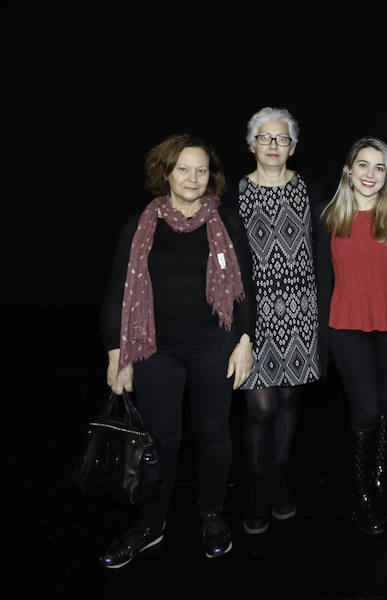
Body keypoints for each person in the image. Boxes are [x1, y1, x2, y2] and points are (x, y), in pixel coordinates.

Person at [99, 134, 256, 567]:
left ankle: (211, 515)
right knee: (161, 441)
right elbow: (117, 292)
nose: (192, 177)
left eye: (201, 169)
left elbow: (246, 291)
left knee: (213, 435)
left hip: (213, 348)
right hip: (155, 352)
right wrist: (116, 352)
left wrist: (244, 341)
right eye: (183, 168)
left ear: (211, 175)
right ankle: (150, 523)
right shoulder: (140, 223)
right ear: (166, 172)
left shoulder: (226, 222)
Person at [222, 107, 323, 535]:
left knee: (286, 401)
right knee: (260, 406)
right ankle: (258, 487)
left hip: (302, 310)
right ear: (251, 145)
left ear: (293, 147)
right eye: (265, 138)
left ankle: (280, 476)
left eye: (282, 139)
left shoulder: (311, 191)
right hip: (254, 313)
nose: (273, 145)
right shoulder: (233, 196)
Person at [315, 136, 387, 535]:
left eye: (379, 167)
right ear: (349, 169)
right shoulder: (328, 218)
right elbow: (321, 280)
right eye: (363, 165)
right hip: (345, 327)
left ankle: (378, 487)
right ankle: (359, 497)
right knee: (365, 410)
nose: (370, 174)